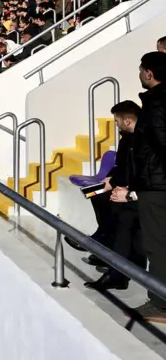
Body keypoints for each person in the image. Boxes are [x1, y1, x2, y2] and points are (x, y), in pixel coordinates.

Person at [119, 52, 166, 322]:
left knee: (158, 243)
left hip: (157, 186)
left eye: (141, 70)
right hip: (157, 183)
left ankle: (160, 304)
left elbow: (161, 144)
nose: (139, 74)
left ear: (149, 73)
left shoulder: (157, 104)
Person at [85, 100, 144, 291]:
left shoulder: (144, 140)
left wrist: (125, 190)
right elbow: (122, 166)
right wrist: (110, 180)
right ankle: (103, 240)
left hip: (138, 192)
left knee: (119, 209)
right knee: (93, 193)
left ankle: (102, 244)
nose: (116, 125)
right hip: (124, 184)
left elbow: (140, 173)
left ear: (127, 121)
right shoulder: (126, 138)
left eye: (117, 121)